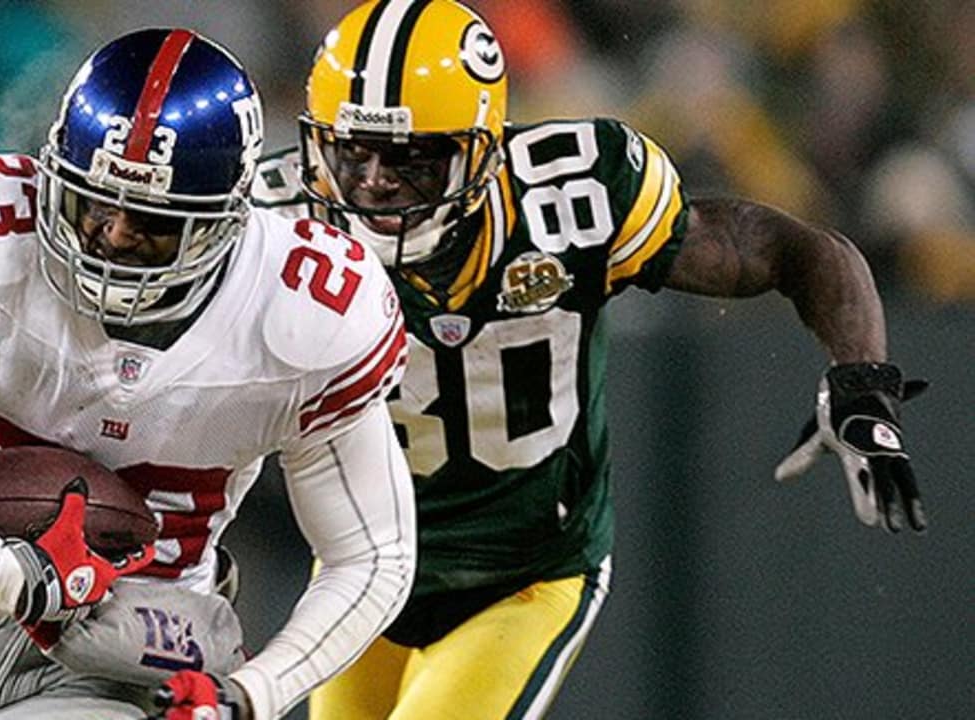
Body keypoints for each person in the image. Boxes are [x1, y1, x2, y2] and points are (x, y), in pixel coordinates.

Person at [249, 1, 928, 718]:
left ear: (482, 150)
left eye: (415, 160)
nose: (377, 184)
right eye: (354, 153)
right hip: (365, 564)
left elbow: (793, 249)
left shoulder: (569, 201)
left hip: (521, 575)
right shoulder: (273, 221)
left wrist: (860, 380)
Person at [0, 28, 415, 720]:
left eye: (153, 221)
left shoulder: (306, 311)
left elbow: (374, 556)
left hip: (143, 637)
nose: (116, 235)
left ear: (227, 222)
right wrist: (3, 576)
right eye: (93, 203)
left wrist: (255, 693)